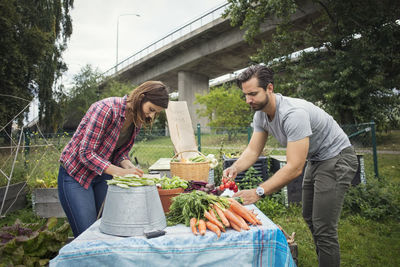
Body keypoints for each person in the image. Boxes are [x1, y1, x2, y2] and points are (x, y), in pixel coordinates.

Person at [223, 65, 358, 267]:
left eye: (253, 94)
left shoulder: (293, 114)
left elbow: (295, 167)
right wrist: (236, 167)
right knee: (309, 217)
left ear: (269, 88)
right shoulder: (260, 114)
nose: (248, 100)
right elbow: (253, 151)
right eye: (245, 95)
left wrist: (259, 191)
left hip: (337, 157)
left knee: (324, 227)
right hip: (317, 159)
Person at [58, 81, 169, 237]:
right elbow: (86, 153)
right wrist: (119, 172)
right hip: (76, 174)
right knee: (87, 234)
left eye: (155, 113)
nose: (151, 116)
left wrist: (128, 166)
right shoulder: (106, 109)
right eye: (151, 110)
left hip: (102, 174)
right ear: (141, 97)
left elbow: (120, 152)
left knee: (108, 228)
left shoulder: (136, 120)